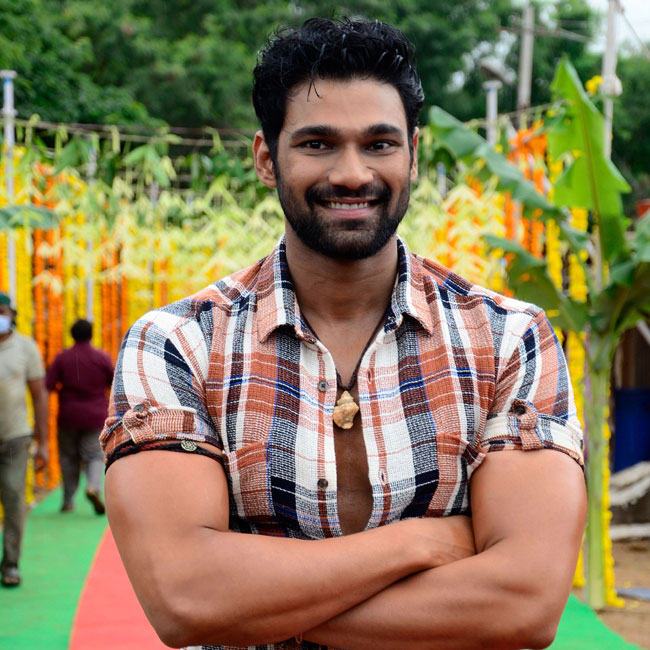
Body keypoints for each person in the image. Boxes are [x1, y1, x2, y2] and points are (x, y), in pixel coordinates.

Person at [101, 18, 586, 650]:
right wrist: (418, 542)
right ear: (266, 159)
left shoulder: (508, 339)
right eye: (318, 144)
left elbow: (524, 605)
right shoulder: (178, 344)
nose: (353, 173)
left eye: (379, 144)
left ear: (413, 154)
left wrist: (247, 598)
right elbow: (186, 597)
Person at [0, 291, 48, 587]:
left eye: (2, 312)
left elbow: (39, 396)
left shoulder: (25, 347)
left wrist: (43, 442)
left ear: (12, 315)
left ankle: (10, 564)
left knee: (14, 498)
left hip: (15, 437)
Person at [46, 319, 114, 515]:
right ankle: (93, 486)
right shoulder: (101, 357)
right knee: (94, 455)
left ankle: (68, 500)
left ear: (72, 334)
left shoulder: (62, 358)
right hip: (94, 415)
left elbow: (49, 384)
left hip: (68, 415)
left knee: (68, 457)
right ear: (91, 334)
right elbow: (113, 380)